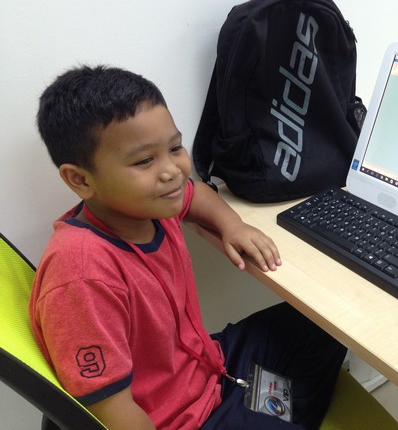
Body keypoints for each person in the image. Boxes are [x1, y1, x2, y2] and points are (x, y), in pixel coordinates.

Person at [29, 65, 347, 430]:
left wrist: (232, 225)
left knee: (328, 322)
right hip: (178, 420)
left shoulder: (151, 204)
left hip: (207, 367)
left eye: (175, 148)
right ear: (80, 179)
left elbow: (195, 196)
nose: (173, 171)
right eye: (144, 160)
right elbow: (113, 413)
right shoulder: (82, 276)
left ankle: (272, 413)